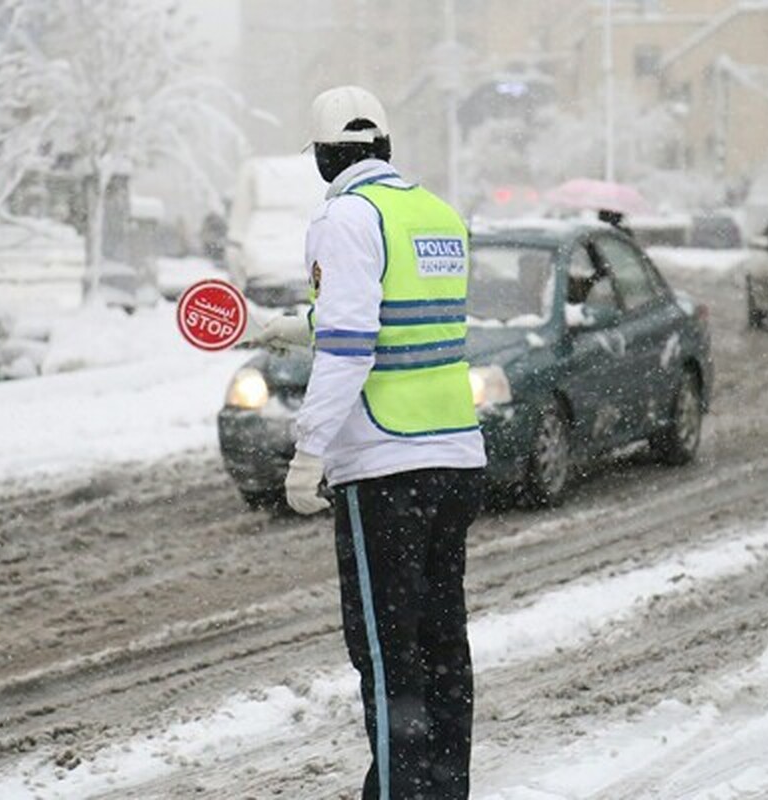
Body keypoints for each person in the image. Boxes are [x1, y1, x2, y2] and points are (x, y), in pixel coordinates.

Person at [249, 85, 487, 800]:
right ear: (382, 145)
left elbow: (354, 345)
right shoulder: (435, 213)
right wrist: (297, 325)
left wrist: (311, 447)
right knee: (442, 640)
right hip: (454, 456)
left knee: (387, 654)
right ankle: (442, 791)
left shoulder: (346, 218)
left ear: (325, 154)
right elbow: (401, 319)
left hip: (386, 463)